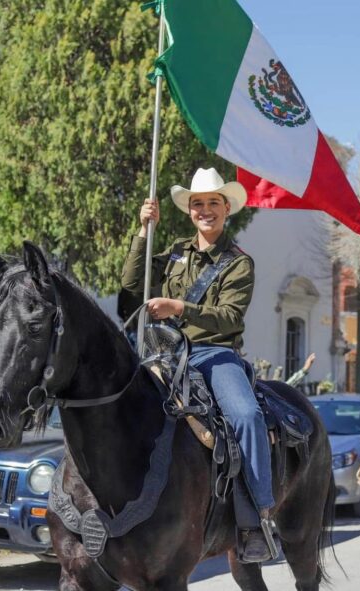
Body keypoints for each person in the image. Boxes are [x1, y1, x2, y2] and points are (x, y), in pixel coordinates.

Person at [120, 167, 275, 561]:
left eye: (213, 203)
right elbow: (130, 287)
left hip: (213, 354)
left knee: (246, 416)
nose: (205, 210)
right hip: (164, 352)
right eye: (198, 204)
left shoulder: (239, 262)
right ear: (190, 211)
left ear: (227, 209)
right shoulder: (171, 250)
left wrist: (179, 306)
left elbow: (230, 317)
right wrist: (143, 231)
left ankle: (258, 517)